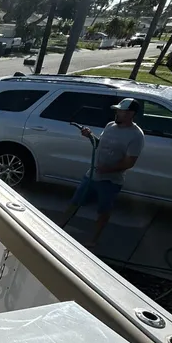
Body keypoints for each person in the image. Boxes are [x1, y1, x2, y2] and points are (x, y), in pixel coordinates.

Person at [59, 98, 145, 247]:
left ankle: (93, 240)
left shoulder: (136, 135)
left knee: (103, 211)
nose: (117, 113)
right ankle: (58, 228)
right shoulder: (110, 126)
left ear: (131, 114)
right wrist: (90, 136)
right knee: (75, 202)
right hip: (92, 175)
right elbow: (101, 145)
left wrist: (107, 170)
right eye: (117, 110)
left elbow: (129, 162)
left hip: (110, 181)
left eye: (121, 111)